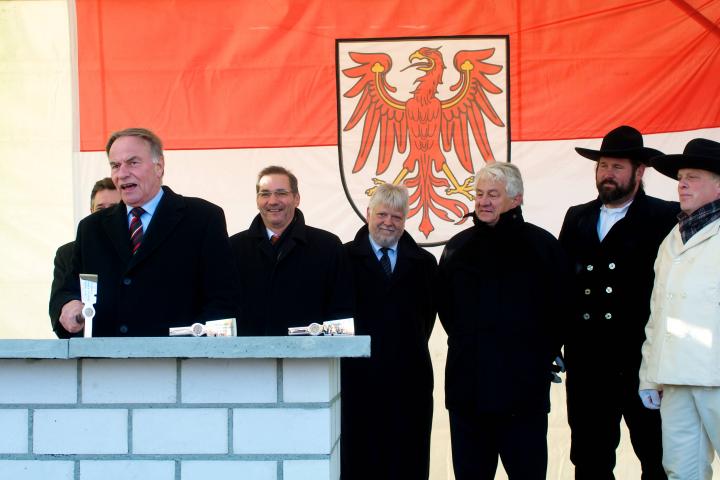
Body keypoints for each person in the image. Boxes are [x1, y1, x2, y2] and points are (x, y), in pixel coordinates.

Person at [438, 162, 569, 479]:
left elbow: (561, 310)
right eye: (479, 194)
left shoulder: (543, 247)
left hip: (523, 394)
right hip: (468, 392)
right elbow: (446, 310)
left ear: (517, 198)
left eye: (493, 195)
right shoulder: (458, 248)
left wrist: (537, 355)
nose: (483, 201)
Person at [560, 125, 677, 479]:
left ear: (639, 172)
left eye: (617, 167)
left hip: (641, 363)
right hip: (587, 364)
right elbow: (561, 285)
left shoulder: (665, 217)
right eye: (603, 166)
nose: (607, 174)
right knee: (590, 459)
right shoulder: (577, 216)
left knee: (657, 456)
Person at [51, 127, 238, 337]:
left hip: (180, 361)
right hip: (107, 363)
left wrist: (198, 355)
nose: (122, 173)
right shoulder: (91, 228)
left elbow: (222, 298)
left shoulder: (203, 218)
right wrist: (67, 305)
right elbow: (67, 290)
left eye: (133, 163)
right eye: (115, 165)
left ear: (159, 166)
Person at [341, 183, 437, 480]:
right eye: (382, 214)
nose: (388, 222)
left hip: (409, 381)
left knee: (407, 460)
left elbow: (427, 319)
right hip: (357, 381)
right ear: (368, 214)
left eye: (396, 217)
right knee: (359, 461)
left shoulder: (424, 263)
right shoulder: (343, 260)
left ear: (405, 220)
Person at [640, 138, 720, 480]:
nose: (682, 184)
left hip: (715, 375)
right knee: (681, 470)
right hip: (673, 376)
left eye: (694, 176)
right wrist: (649, 373)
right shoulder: (671, 239)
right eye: (681, 177)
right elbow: (658, 314)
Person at [229, 165, 352, 335]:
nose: (272, 201)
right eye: (265, 194)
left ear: (296, 198)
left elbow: (341, 311)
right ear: (257, 200)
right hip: (248, 358)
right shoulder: (233, 248)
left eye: (281, 193)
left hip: (311, 357)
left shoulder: (328, 246)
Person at [49, 177, 121, 337]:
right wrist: (69, 307)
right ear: (91, 211)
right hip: (86, 350)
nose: (106, 215)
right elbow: (58, 302)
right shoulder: (67, 253)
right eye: (100, 208)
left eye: (113, 209)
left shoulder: (136, 250)